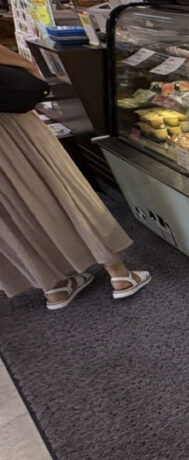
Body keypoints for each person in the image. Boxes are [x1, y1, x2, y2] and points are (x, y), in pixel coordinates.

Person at [0, 44, 150, 309]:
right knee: (59, 187)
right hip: (9, 124)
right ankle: (118, 274)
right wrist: (25, 67)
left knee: (9, 216)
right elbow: (23, 66)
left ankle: (54, 287)